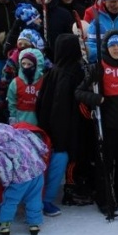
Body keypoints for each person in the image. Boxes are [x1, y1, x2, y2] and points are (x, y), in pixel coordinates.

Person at [75, 30, 118, 215]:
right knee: (104, 163)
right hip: (105, 126)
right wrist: (97, 98)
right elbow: (79, 92)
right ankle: (104, 198)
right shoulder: (98, 68)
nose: (116, 48)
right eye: (112, 45)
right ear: (106, 47)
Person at [36, 34, 93, 208]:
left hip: (56, 125)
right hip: (71, 125)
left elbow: (42, 103)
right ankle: (71, 190)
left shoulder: (53, 71)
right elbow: (72, 103)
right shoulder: (72, 73)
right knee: (73, 157)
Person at [0, 123, 49, 235]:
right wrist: (43, 151)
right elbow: (38, 143)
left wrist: (7, 182)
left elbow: (5, 166)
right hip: (38, 172)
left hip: (20, 178)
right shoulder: (20, 134)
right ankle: (34, 225)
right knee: (34, 198)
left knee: (10, 201)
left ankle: (4, 226)